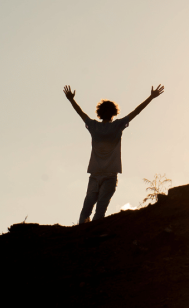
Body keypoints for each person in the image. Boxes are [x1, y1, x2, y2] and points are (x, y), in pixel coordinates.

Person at [63, 84, 164, 224]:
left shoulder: (94, 126)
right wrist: (151, 97)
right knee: (100, 211)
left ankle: (80, 237)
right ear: (114, 113)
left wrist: (71, 100)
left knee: (86, 209)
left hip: (95, 174)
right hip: (110, 175)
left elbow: (81, 113)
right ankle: (92, 239)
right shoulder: (117, 125)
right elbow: (136, 112)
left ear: (99, 112)